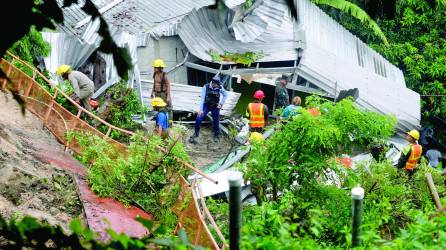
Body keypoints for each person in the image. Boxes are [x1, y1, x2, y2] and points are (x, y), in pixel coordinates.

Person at [189, 76, 228, 144]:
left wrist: (221, 104)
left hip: (215, 106)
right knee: (198, 118)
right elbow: (202, 98)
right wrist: (200, 109)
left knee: (216, 120)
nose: (218, 86)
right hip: (206, 105)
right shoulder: (206, 87)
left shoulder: (220, 87)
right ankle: (196, 133)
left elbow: (225, 95)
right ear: (213, 83)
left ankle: (217, 135)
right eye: (216, 84)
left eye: (218, 84)